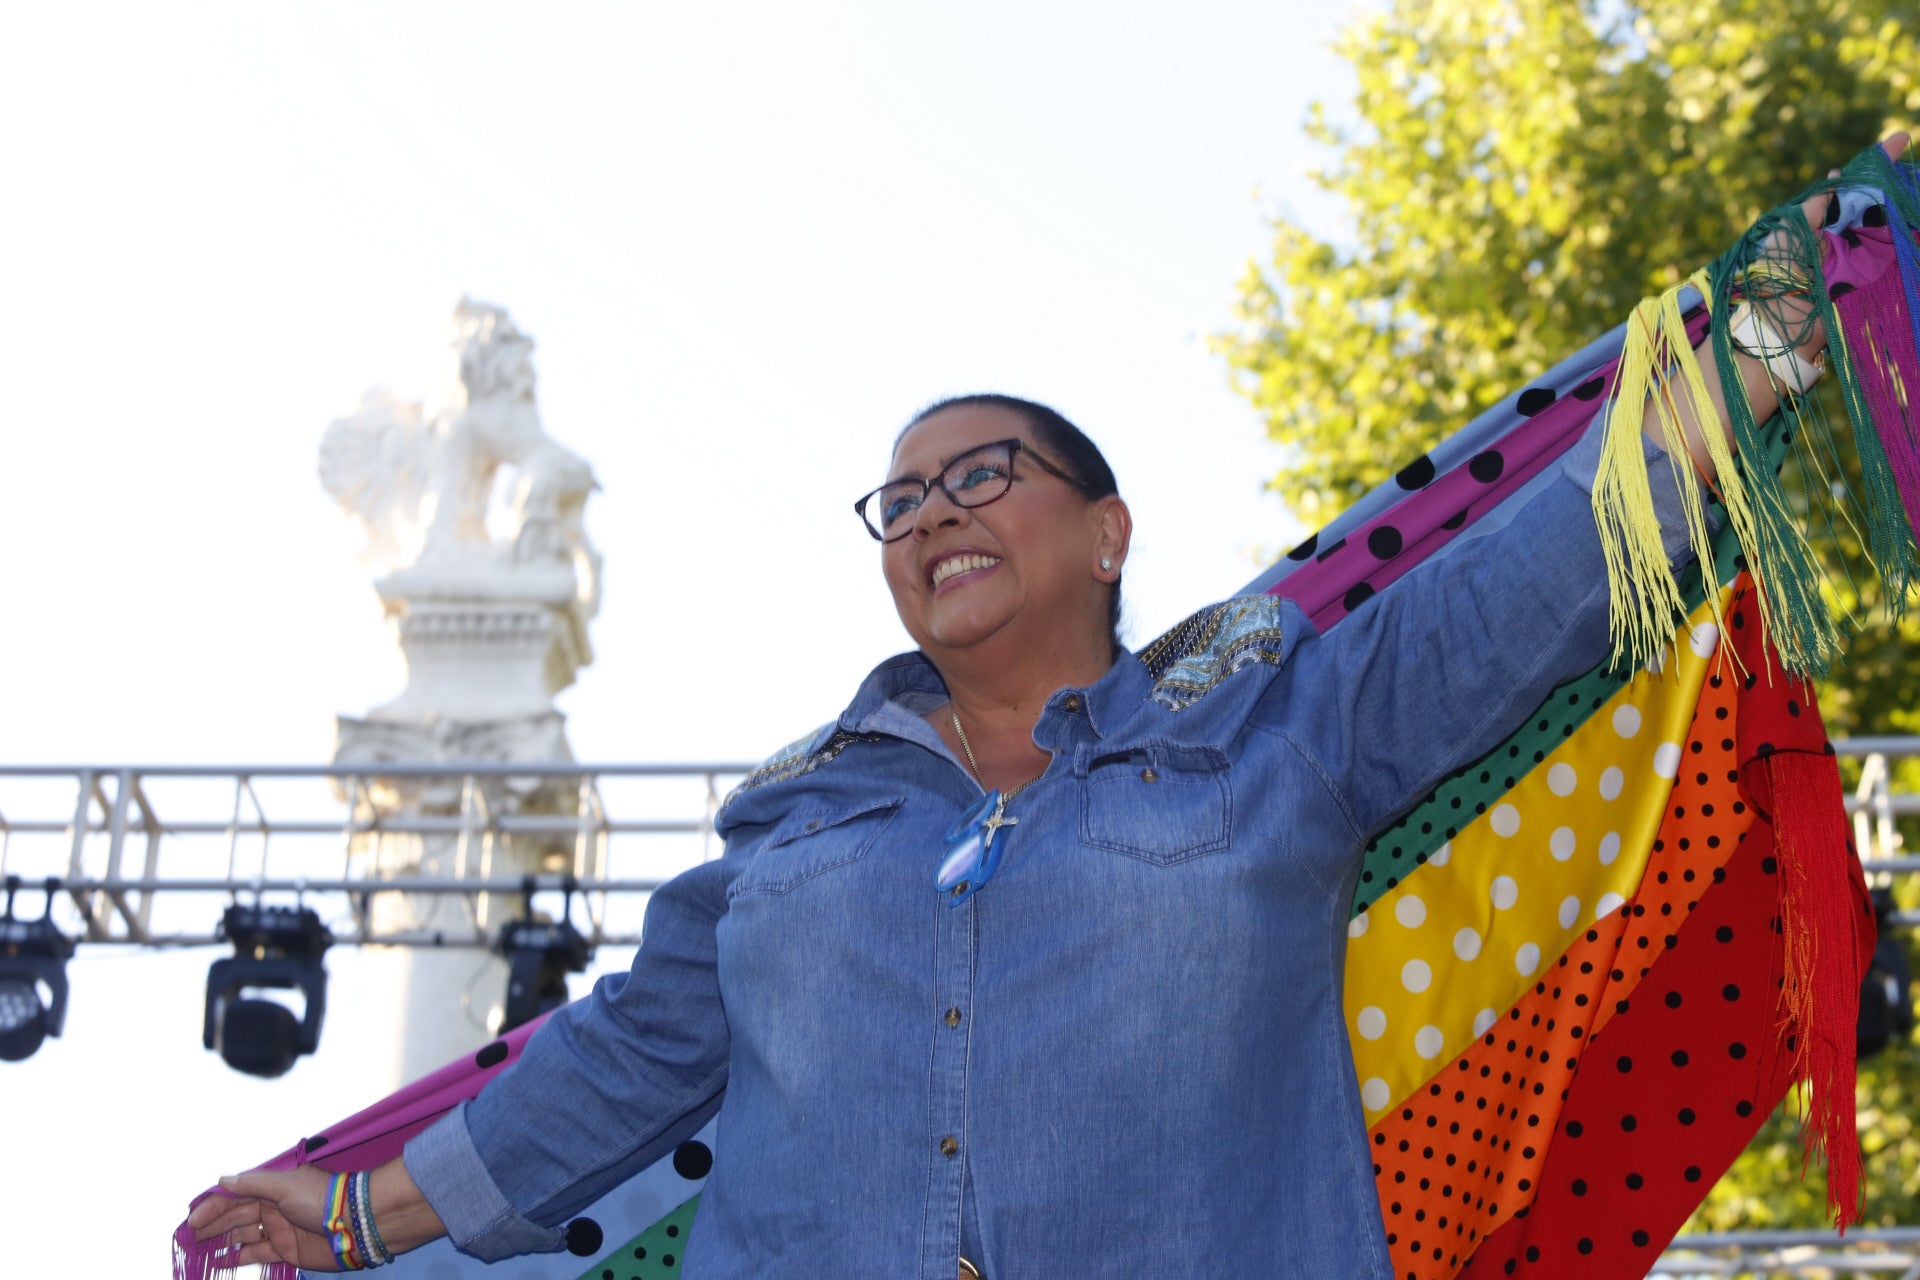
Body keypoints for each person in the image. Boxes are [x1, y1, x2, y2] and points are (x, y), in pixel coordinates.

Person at [191, 137, 1906, 1278]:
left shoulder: (1282, 720)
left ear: (1107, 532)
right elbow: (620, 1067)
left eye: (981, 473)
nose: (931, 511)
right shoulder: (794, 822)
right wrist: (349, 1217)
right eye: (901, 499)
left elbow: (1543, 571)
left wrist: (1793, 302)